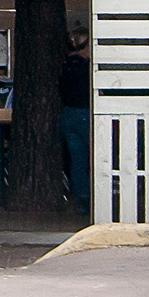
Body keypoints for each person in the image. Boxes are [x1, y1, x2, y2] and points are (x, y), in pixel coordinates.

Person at [59, 24, 93, 212]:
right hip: (84, 114)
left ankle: (82, 198)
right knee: (92, 158)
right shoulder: (87, 67)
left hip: (67, 115)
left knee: (77, 160)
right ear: (86, 45)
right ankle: (93, 196)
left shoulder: (64, 65)